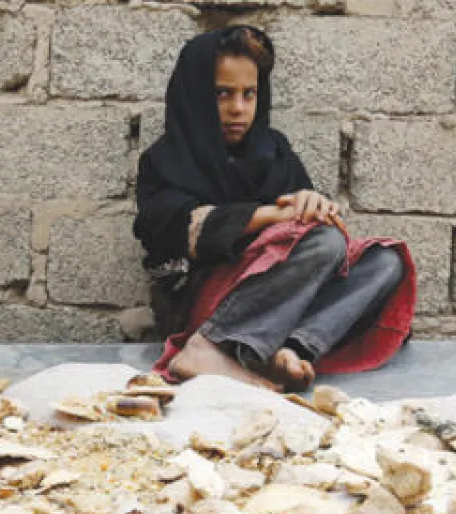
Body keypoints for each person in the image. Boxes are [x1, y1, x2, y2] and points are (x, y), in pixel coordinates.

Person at [134, 26, 417, 392]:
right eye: (222, 94)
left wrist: (313, 206)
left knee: (385, 262)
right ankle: (210, 348)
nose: (238, 108)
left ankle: (292, 348)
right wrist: (268, 216)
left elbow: (310, 243)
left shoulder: (273, 152)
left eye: (249, 94)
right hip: (204, 306)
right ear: (195, 96)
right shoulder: (166, 159)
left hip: (281, 308)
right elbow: (165, 228)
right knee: (325, 244)